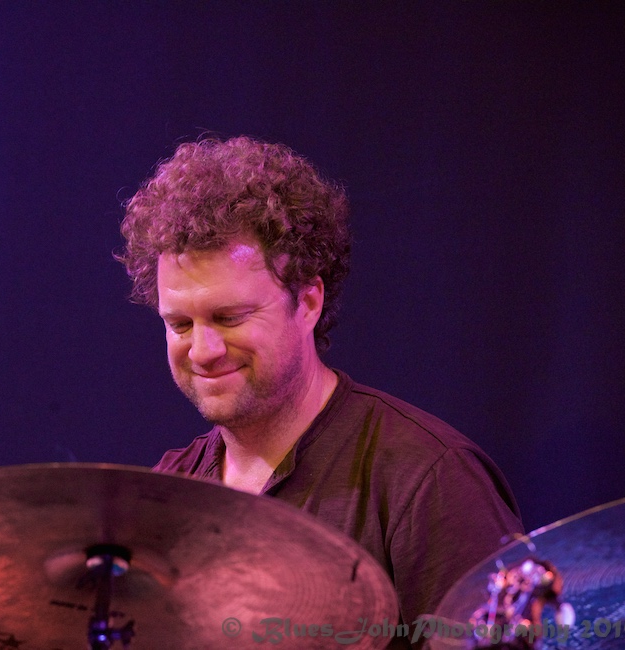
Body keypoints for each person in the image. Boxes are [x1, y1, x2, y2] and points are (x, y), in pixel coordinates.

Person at [116, 136, 523, 648]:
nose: (203, 350)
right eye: (180, 324)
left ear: (307, 301)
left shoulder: (427, 478)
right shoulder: (169, 489)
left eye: (230, 317)